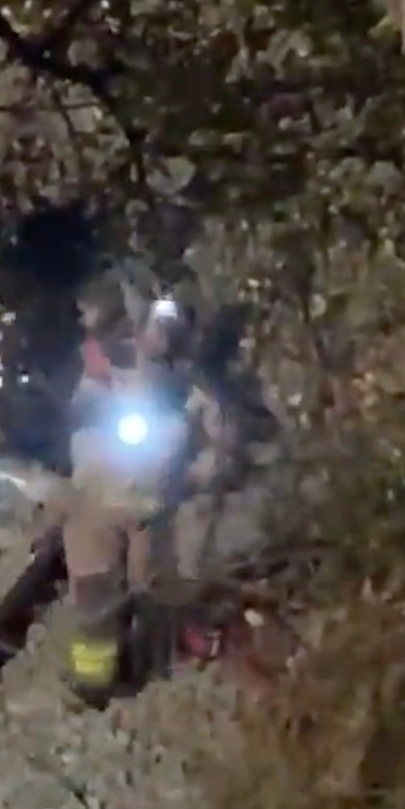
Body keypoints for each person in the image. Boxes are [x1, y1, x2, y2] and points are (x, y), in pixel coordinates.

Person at [56, 270, 245, 705]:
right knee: (95, 594)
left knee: (157, 588)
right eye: (156, 324)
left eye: (171, 327)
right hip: (96, 501)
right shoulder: (107, 366)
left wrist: (200, 473)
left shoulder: (196, 395)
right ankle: (92, 679)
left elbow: (220, 448)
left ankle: (165, 651)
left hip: (151, 510)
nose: (161, 335)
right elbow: (77, 411)